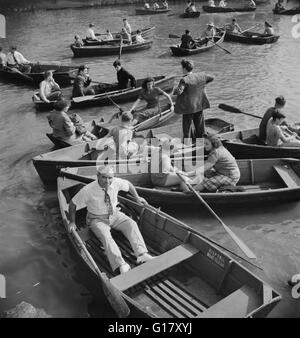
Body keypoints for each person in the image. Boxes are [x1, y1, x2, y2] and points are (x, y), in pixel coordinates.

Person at [68, 165, 154, 274]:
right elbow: (73, 204)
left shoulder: (116, 182)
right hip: (96, 219)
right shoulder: (88, 190)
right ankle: (121, 264)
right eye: (104, 177)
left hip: (114, 214)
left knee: (131, 224)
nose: (107, 181)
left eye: (110, 177)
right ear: (98, 176)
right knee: (106, 236)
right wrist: (72, 222)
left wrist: (137, 197)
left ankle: (142, 255)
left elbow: (129, 184)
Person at [173, 59, 214, 140]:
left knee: (187, 127)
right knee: (200, 126)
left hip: (188, 107)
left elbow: (179, 91)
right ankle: (200, 144)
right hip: (199, 105)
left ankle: (187, 145)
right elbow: (212, 77)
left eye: (181, 67)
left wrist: (174, 90)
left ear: (184, 69)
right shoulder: (201, 76)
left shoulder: (184, 79)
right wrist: (203, 84)